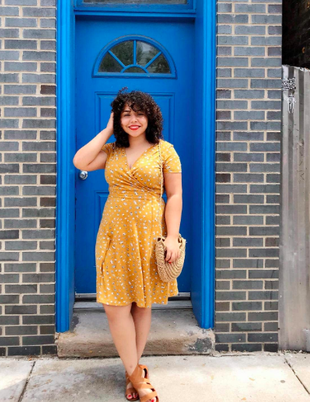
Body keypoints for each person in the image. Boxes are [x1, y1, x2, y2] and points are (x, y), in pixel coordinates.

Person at [73, 88, 183, 402]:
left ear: (150, 117)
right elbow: (80, 160)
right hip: (114, 234)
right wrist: (108, 128)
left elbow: (174, 195)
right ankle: (137, 374)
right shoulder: (111, 150)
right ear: (118, 119)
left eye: (139, 113)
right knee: (115, 306)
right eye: (126, 114)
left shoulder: (165, 151)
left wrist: (172, 236)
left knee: (142, 302)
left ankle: (131, 374)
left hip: (149, 233)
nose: (133, 120)